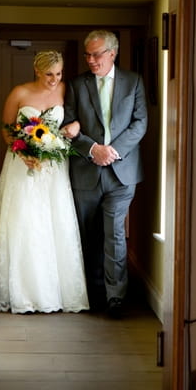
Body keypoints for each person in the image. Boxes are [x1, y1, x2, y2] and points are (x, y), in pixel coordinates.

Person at [0, 50, 89, 314]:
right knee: (25, 220)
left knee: (55, 222)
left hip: (54, 168)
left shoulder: (66, 90)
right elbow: (6, 129)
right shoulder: (19, 93)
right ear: (36, 70)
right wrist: (23, 153)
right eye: (49, 74)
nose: (54, 80)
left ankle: (55, 293)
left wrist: (75, 126)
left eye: (58, 74)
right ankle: (24, 292)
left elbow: (78, 118)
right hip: (23, 165)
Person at [63, 30, 148, 318]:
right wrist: (93, 149)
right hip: (85, 172)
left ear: (113, 53)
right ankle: (93, 293)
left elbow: (140, 123)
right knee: (87, 235)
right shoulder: (76, 84)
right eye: (87, 54)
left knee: (114, 234)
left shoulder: (133, 82)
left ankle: (116, 298)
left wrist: (111, 151)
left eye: (96, 54)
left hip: (122, 173)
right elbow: (69, 124)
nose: (91, 60)